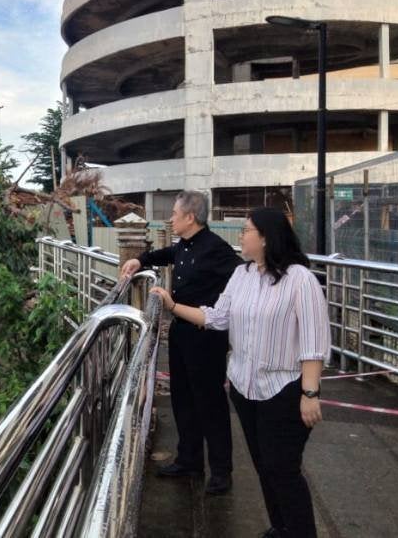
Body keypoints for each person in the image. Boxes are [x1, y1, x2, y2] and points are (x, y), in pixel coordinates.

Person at [150, 207, 330, 538]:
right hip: (245, 389)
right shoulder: (242, 275)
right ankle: (281, 527)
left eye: (246, 230)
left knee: (283, 468)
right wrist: (173, 307)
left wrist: (310, 393)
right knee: (264, 465)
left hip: (284, 389)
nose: (241, 236)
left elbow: (313, 342)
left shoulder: (300, 279)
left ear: (266, 238)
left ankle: (300, 532)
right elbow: (218, 318)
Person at [119, 191, 241, 495]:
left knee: (210, 404)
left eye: (174, 214)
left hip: (206, 336)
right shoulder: (183, 246)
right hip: (180, 332)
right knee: (183, 399)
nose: (170, 219)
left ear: (190, 216)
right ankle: (189, 460)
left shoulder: (217, 249)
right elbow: (164, 255)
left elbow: (243, 277)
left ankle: (222, 472)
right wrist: (138, 259)